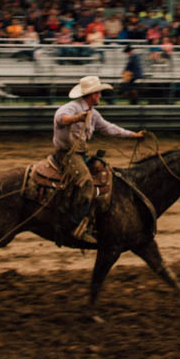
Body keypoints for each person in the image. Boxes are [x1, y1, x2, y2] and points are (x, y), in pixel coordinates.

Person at [53, 76, 145, 243]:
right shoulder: (72, 108)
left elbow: (110, 128)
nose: (101, 96)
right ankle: (75, 225)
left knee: (104, 174)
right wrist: (77, 118)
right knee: (87, 183)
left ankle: (94, 218)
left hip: (80, 154)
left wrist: (133, 135)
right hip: (67, 154)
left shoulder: (93, 114)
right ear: (92, 94)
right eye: (99, 93)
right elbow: (60, 118)